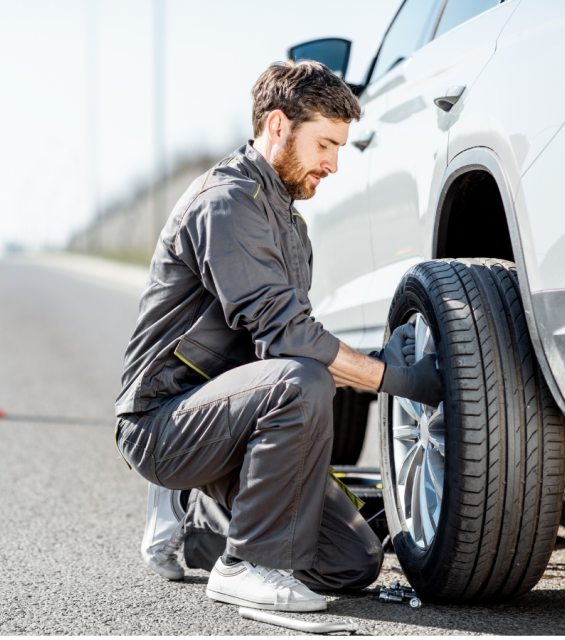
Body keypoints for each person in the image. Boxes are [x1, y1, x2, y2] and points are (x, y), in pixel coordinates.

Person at [115, 60, 442, 612]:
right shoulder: (227, 202)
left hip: (229, 417)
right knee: (300, 381)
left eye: (340, 148)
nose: (334, 164)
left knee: (350, 562)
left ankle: (202, 523)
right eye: (325, 144)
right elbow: (289, 345)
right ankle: (246, 565)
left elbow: (283, 342)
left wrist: (366, 362)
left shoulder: (290, 224)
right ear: (276, 127)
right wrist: (392, 378)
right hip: (162, 420)